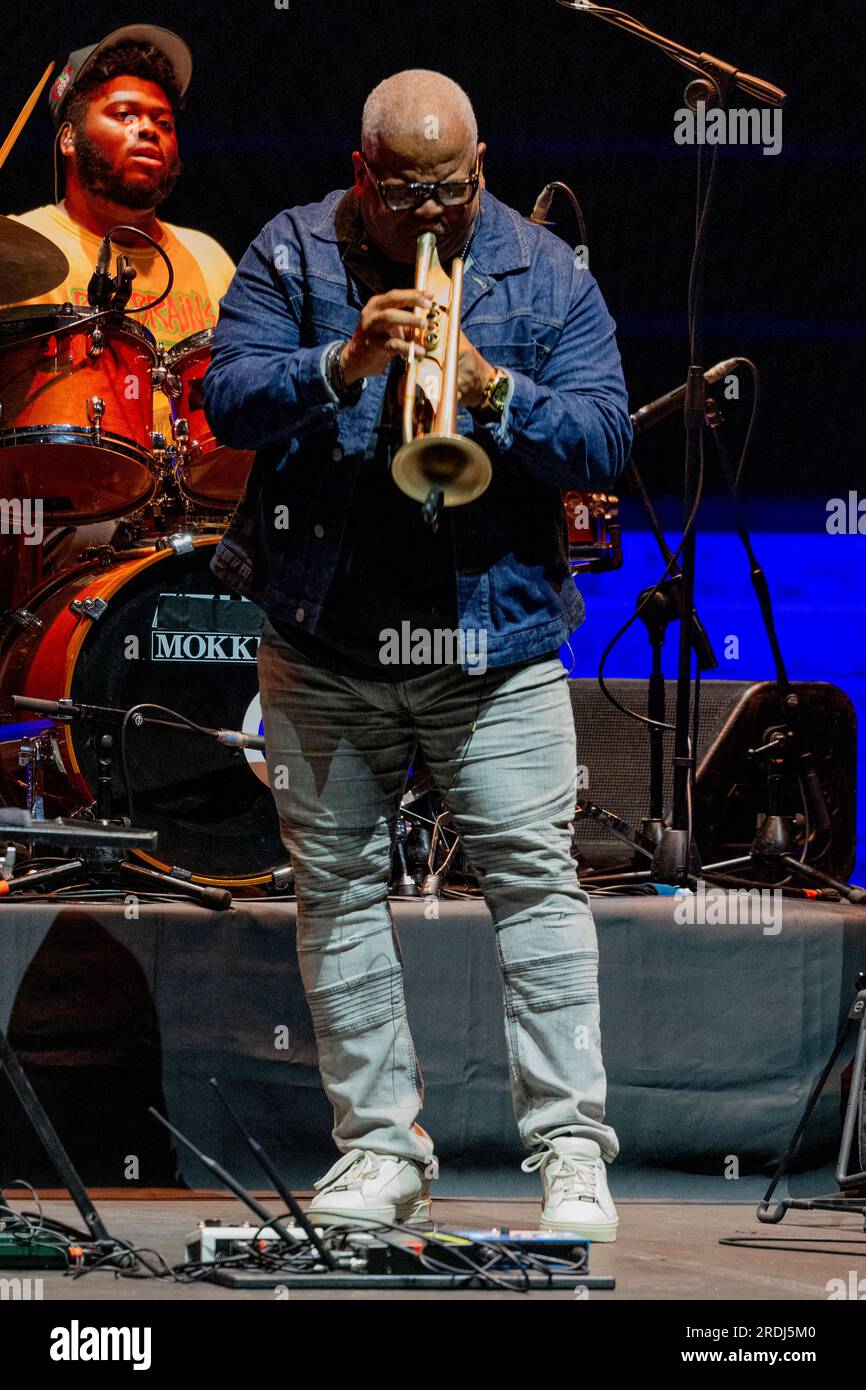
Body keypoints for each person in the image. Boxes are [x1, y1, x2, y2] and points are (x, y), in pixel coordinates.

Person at [204, 69, 632, 1239]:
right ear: (362, 175)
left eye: (453, 190)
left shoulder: (544, 269)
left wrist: (487, 385)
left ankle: (568, 1154)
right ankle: (380, 1151)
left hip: (492, 646)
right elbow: (224, 400)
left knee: (536, 890)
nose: (432, 216)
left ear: (482, 165)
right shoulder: (291, 252)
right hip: (324, 638)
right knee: (337, 893)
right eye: (406, 195)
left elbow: (601, 433)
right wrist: (339, 363)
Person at [2, 25, 236, 578]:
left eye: (163, 123)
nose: (148, 132)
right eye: (125, 115)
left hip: (199, 509)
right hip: (59, 511)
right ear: (68, 139)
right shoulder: (15, 251)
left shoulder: (209, 257)